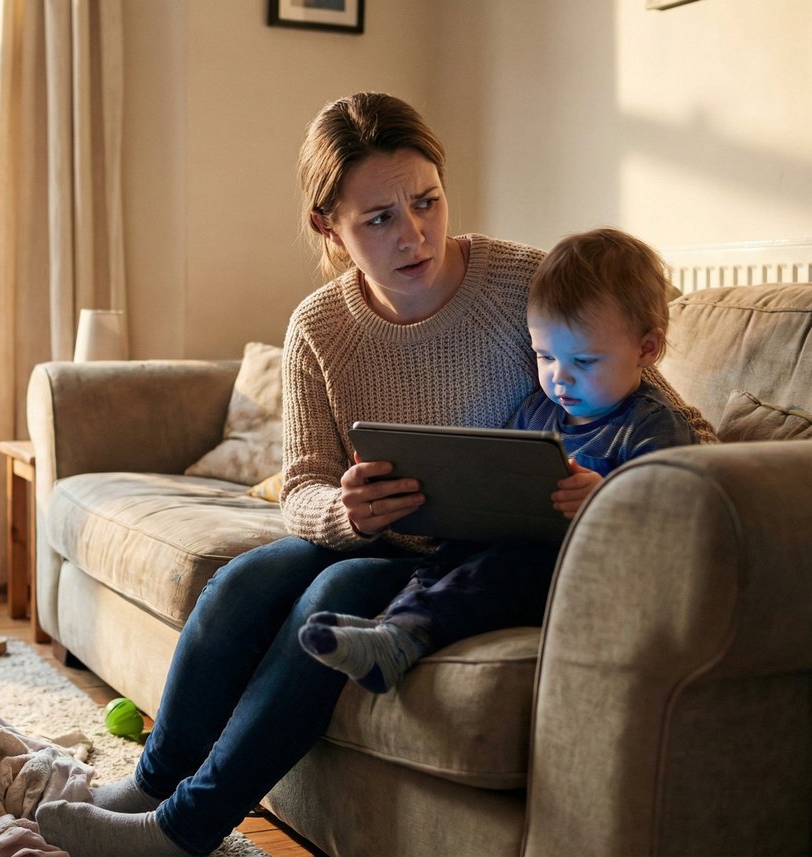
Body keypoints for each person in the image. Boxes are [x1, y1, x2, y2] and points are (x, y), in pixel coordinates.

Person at [36, 92, 714, 857]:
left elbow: (676, 422)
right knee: (245, 581)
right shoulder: (319, 328)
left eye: (427, 200)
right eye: (380, 217)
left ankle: (180, 829)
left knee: (329, 595)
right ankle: (152, 783)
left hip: (488, 557)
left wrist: (614, 484)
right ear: (330, 225)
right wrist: (345, 512)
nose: (415, 232)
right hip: (380, 538)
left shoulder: (528, 284)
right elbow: (302, 490)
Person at [298, 227, 705, 694]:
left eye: (585, 362)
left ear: (647, 349)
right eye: (545, 356)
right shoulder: (537, 410)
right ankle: (394, 631)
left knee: (515, 559)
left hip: (580, 574)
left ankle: (404, 636)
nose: (560, 378)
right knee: (454, 550)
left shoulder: (654, 426)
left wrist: (609, 498)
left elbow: (682, 516)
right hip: (514, 548)